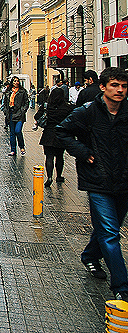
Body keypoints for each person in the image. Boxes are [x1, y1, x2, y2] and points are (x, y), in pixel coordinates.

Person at [56, 67, 128, 300]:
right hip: (97, 180)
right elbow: (62, 131)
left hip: (124, 180)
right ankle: (122, 288)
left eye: (124, 86)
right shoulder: (88, 111)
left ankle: (89, 255)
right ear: (103, 87)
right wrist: (82, 152)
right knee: (110, 233)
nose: (120, 90)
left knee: (110, 228)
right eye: (115, 85)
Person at [34, 87, 73, 187]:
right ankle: (59, 176)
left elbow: (36, 116)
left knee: (49, 157)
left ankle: (49, 177)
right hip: (61, 134)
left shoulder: (47, 106)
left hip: (48, 134)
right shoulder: (67, 108)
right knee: (60, 156)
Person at [3, 76, 29, 156]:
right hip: (11, 114)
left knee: (18, 131)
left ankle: (21, 146)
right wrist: (6, 111)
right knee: (12, 133)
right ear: (12, 82)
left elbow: (26, 102)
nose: (16, 82)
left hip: (19, 114)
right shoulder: (8, 92)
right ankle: (13, 150)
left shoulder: (22, 91)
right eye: (14, 81)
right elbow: (5, 103)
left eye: (17, 81)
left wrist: (23, 110)